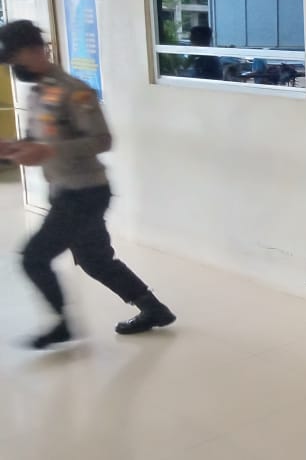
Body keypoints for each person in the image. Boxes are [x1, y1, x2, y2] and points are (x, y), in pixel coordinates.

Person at [0, 20, 176, 349]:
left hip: (84, 193)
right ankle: (154, 309)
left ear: (35, 50)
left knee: (34, 258)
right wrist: (14, 147)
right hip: (66, 190)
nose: (14, 66)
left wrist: (49, 151)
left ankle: (62, 326)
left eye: (16, 58)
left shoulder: (74, 91)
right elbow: (40, 139)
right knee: (95, 259)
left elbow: (102, 140)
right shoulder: (40, 92)